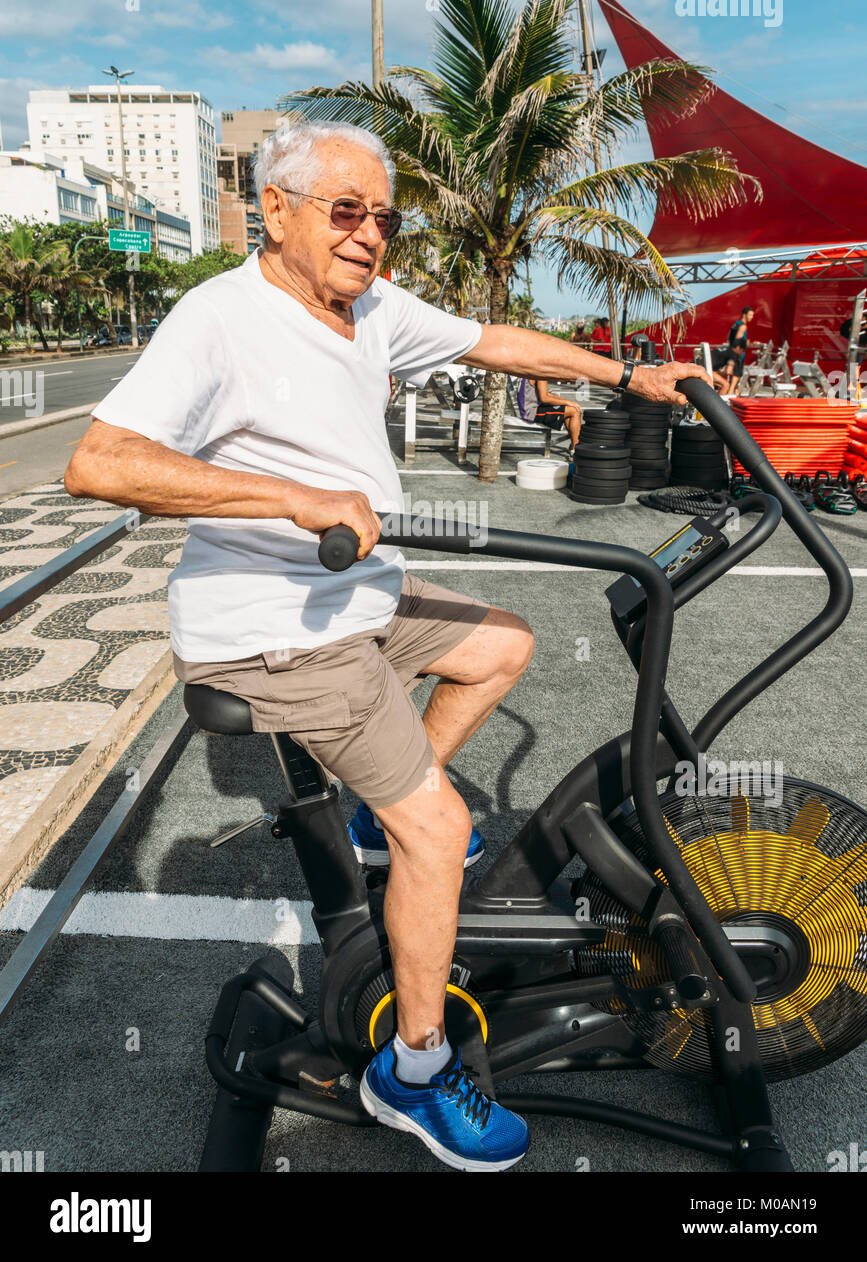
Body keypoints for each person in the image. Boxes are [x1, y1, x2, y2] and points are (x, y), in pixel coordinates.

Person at [64, 119, 709, 1172]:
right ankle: (411, 1070)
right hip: (268, 627)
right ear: (277, 213)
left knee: (501, 643)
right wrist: (291, 496)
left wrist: (624, 374)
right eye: (346, 211)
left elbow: (493, 340)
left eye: (384, 216)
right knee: (439, 821)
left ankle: (373, 813)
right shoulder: (220, 319)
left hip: (351, 592)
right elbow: (98, 461)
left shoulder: (367, 306)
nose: (370, 234)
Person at [527, 377, 582, 448]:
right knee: (575, 411)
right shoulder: (539, 373)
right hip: (531, 413)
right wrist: (568, 402)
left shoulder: (532, 370)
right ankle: (576, 449)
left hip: (529, 409)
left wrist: (567, 402)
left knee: (568, 409)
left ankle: (574, 445)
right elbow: (544, 398)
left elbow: (546, 394)